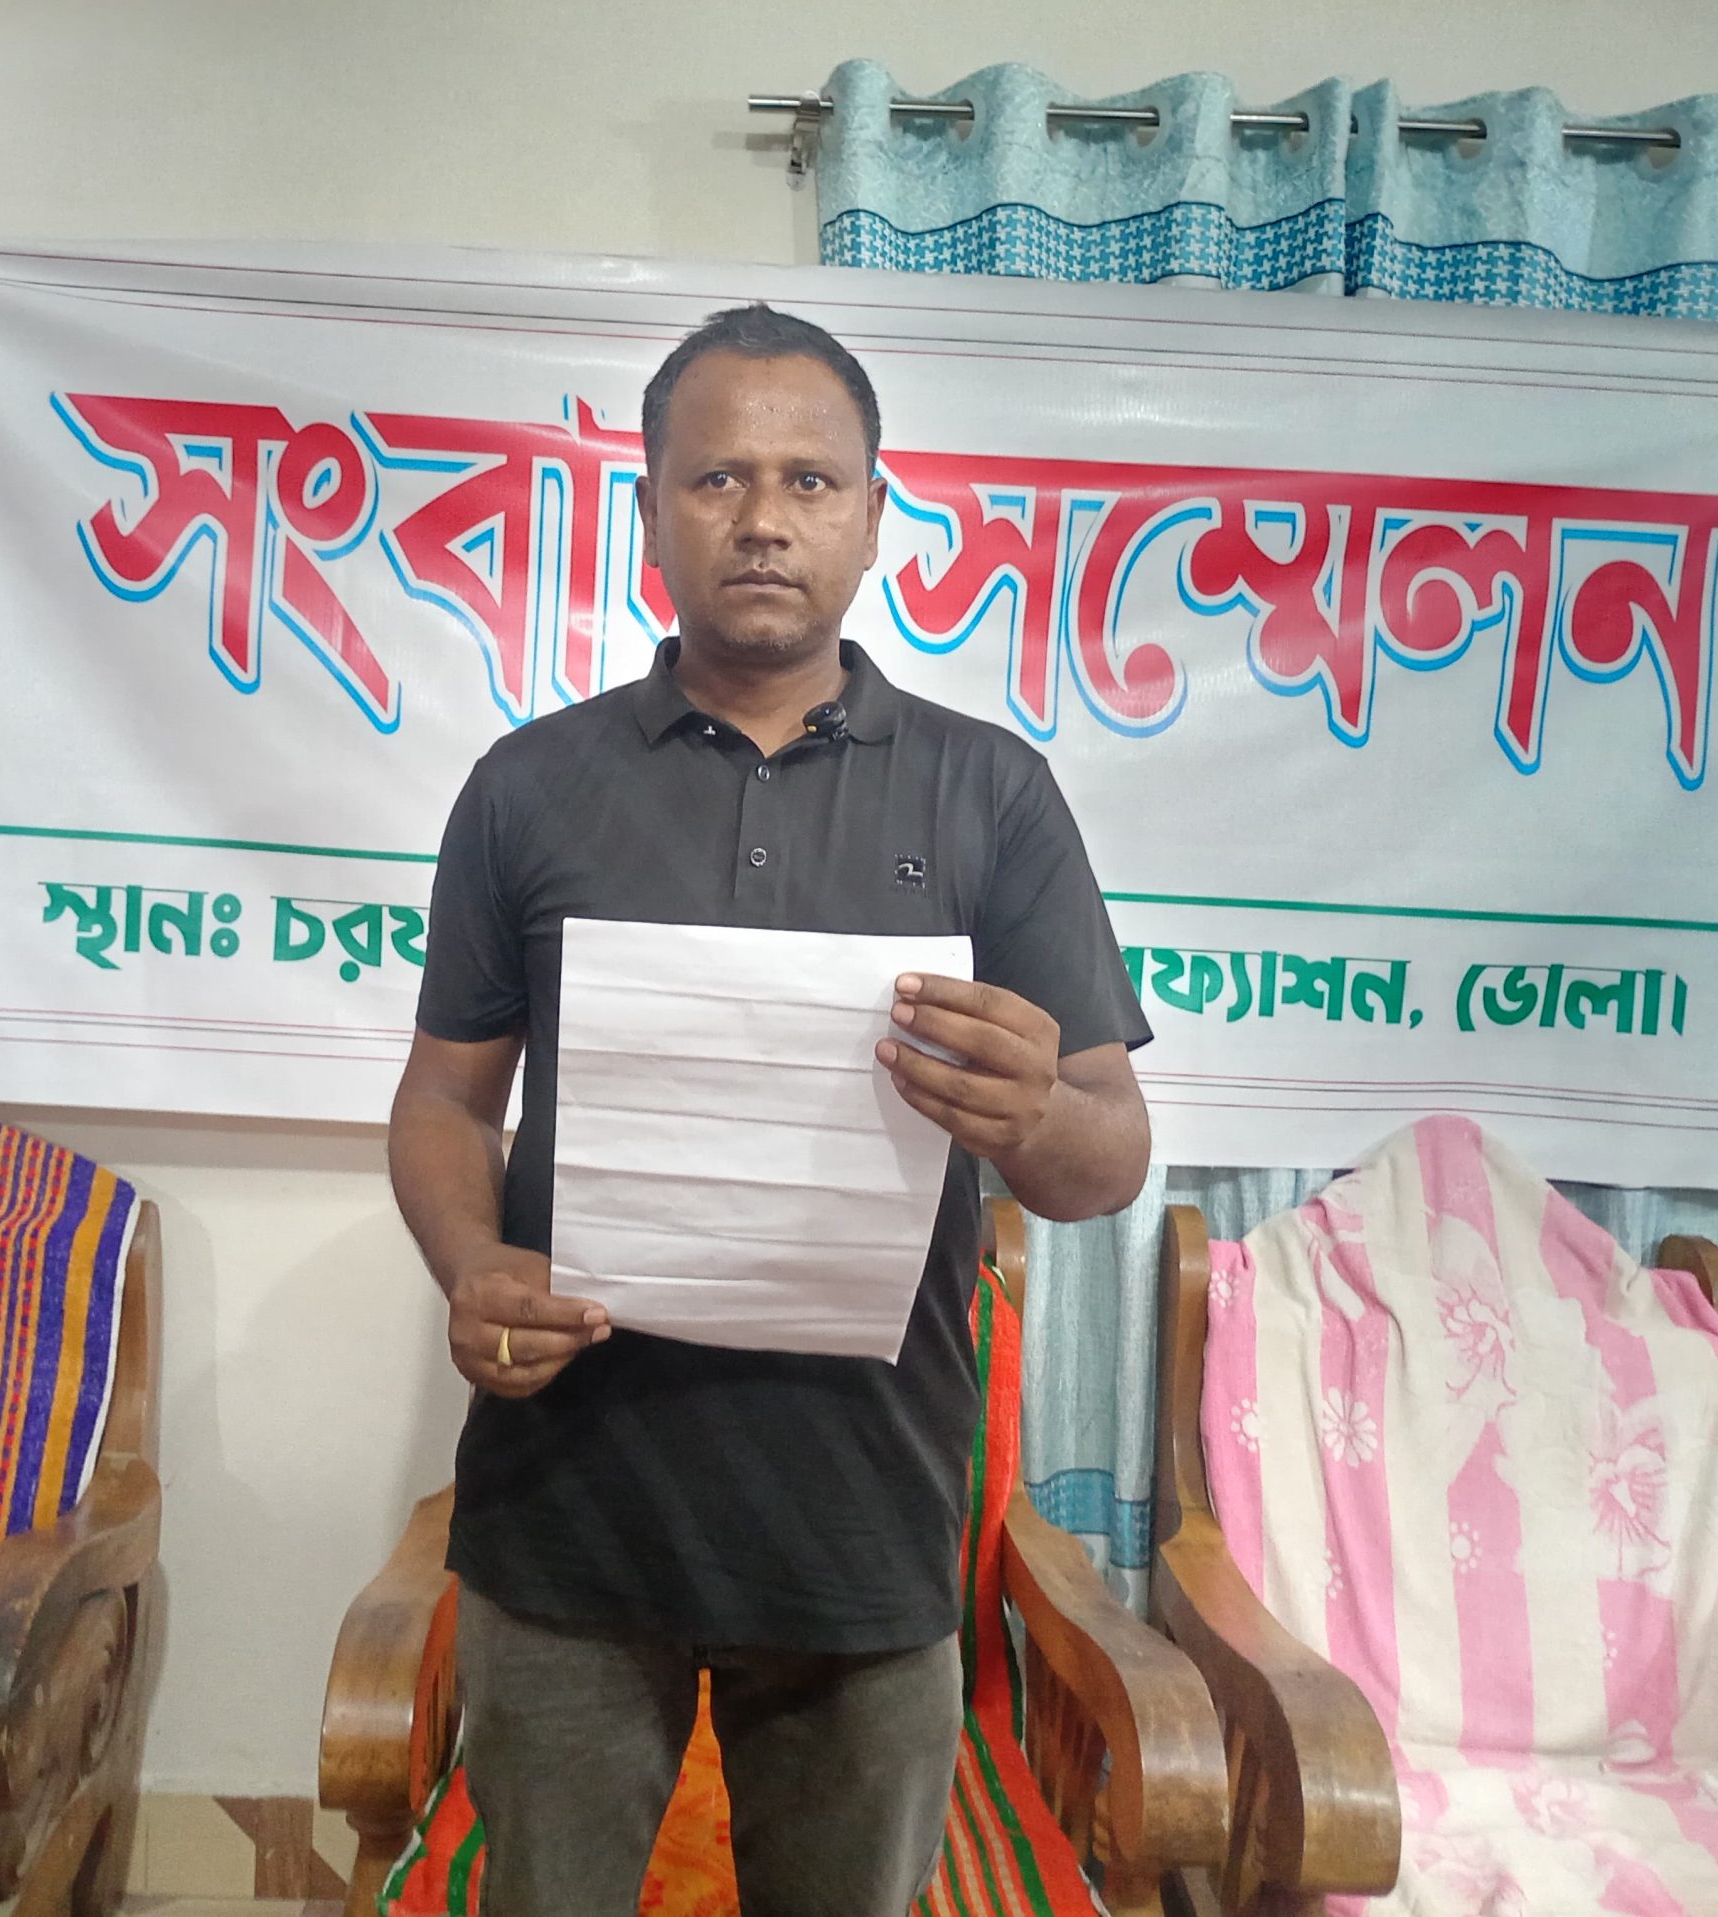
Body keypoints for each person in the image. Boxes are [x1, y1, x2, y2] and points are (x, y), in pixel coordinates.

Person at [388, 302, 1152, 1916]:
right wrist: (472, 1261)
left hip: (863, 1537)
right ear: (651, 508)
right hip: (569, 1523)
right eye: (718, 476)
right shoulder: (528, 785)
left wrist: (1031, 1111)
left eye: (811, 480)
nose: (762, 517)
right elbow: (446, 1102)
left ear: (874, 517)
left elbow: (1105, 1154)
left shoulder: (991, 791)